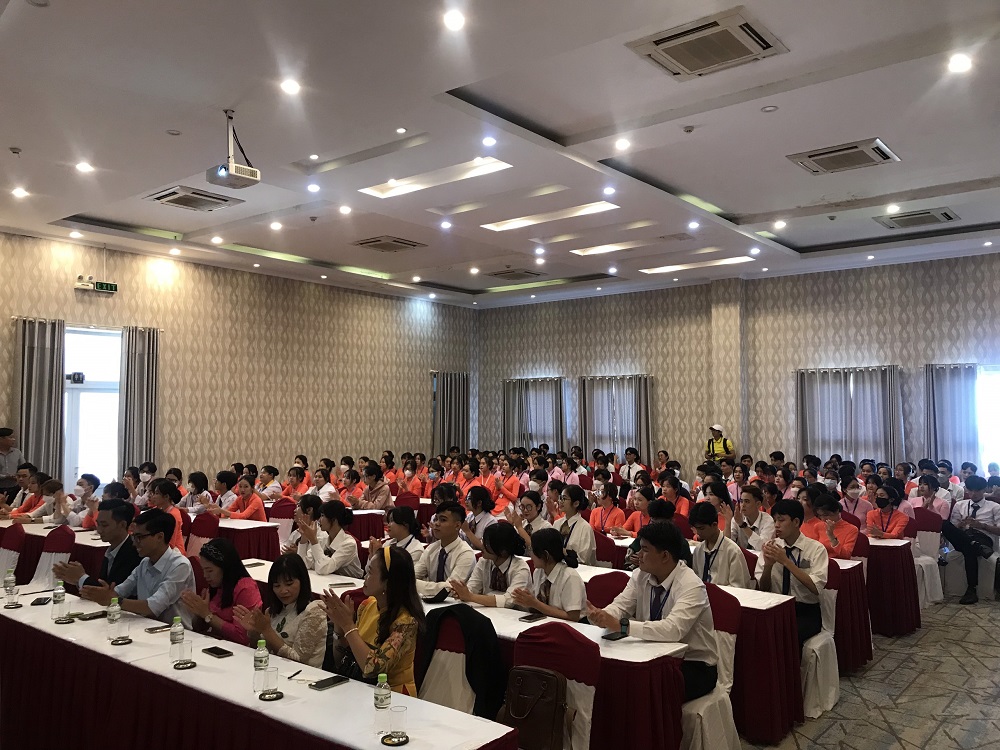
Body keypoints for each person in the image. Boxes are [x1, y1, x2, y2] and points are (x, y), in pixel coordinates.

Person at [587, 521, 719, 701]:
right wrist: (603, 615)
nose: (638, 555)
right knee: (610, 677)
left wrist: (622, 626)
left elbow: (673, 630)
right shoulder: (640, 575)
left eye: (645, 550)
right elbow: (622, 605)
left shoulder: (691, 585)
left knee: (641, 689)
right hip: (651, 651)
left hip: (693, 664)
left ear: (665, 556)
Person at [322, 544, 425, 694]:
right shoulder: (367, 605)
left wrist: (348, 625)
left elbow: (372, 669)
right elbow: (340, 661)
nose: (365, 577)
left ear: (387, 582)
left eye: (370, 572)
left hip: (392, 695)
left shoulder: (406, 622)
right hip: (361, 688)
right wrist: (339, 628)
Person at [80, 508, 196, 628]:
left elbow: (152, 607)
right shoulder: (145, 563)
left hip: (175, 632)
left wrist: (114, 600)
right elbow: (120, 591)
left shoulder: (180, 566)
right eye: (134, 537)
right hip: (144, 627)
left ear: (159, 537)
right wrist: (101, 593)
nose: (134, 543)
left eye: (139, 537)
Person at [756, 499, 828, 649]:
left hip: (804, 611)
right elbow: (763, 589)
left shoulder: (815, 549)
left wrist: (786, 562)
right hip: (775, 606)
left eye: (781, 520)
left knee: (786, 635)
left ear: (796, 522)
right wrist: (768, 566)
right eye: (775, 520)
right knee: (755, 631)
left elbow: (816, 588)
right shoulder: (771, 547)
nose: (776, 525)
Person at [234, 553, 327, 667]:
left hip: (302, 675)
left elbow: (299, 661)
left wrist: (267, 630)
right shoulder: (272, 611)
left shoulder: (314, 611)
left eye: (289, 584)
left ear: (302, 581)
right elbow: (262, 652)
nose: (283, 591)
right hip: (273, 670)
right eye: (277, 586)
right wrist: (254, 632)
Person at [180, 538, 262, 646]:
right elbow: (198, 628)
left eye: (210, 570)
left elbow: (242, 637)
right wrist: (198, 612)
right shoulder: (216, 585)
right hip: (213, 645)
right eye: (203, 570)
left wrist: (207, 615)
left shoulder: (246, 588)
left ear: (225, 567)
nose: (205, 575)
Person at [53, 497, 140, 590]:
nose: (99, 530)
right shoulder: (111, 550)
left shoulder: (135, 552)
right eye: (98, 524)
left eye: (104, 525)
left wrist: (80, 578)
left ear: (123, 525)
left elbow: (112, 592)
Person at [942, 475, 1000, 604]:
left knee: (969, 549)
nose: (973, 494)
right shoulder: (960, 505)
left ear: (984, 490)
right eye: (970, 490)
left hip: (983, 537)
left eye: (977, 491)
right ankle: (977, 547)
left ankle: (971, 589)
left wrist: (982, 525)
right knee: (944, 524)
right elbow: (954, 528)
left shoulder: (994, 507)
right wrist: (961, 525)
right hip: (963, 535)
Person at [511, 527, 586, 622]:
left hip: (570, 627)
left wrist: (535, 603)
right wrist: (526, 601)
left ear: (546, 555)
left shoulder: (570, 577)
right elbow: (539, 607)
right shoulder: (539, 572)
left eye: (532, 550)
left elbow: (573, 617)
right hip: (546, 622)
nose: (531, 555)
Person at [451, 522, 531, 608]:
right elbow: (472, 588)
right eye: (483, 541)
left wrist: (470, 597)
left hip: (516, 614)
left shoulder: (520, 568)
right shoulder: (484, 562)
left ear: (503, 551)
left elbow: (509, 601)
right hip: (490, 611)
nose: (482, 546)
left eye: (487, 544)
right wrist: (461, 592)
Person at [412, 502, 476, 597]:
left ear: (457, 526)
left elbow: (450, 589)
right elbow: (412, 576)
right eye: (436, 519)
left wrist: (414, 584)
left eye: (443, 520)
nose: (436, 524)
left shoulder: (466, 553)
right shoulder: (431, 549)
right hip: (430, 600)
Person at [690, 502, 751, 588]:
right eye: (696, 528)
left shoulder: (732, 551)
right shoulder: (698, 550)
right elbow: (696, 581)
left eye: (702, 528)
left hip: (725, 595)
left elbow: (738, 587)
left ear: (714, 525)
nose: (698, 533)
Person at [298, 500, 363, 577]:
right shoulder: (322, 539)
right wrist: (304, 537)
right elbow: (303, 564)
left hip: (351, 582)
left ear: (334, 520)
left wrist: (313, 540)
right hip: (330, 579)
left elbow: (324, 568)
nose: (319, 520)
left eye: (322, 516)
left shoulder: (349, 544)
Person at [552, 485, 597, 566]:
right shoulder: (557, 523)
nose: (560, 501)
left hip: (577, 569)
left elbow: (584, 559)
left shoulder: (585, 528)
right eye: (560, 497)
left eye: (564, 498)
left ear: (576, 503)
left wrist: (565, 553)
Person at [146, 478, 186, 555]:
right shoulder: (158, 510)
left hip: (174, 551)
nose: (153, 496)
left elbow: (170, 542)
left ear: (166, 496)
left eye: (156, 493)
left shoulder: (173, 515)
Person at [812, 495, 859, 559]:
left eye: (826, 515)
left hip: (840, 562)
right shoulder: (818, 526)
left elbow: (846, 555)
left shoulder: (851, 529)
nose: (823, 519)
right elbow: (814, 549)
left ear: (837, 511)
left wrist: (831, 536)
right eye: (820, 515)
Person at [731, 485, 775, 551]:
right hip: (740, 556)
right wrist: (728, 521)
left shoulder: (768, 520)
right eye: (741, 501)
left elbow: (763, 547)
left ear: (758, 504)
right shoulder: (737, 518)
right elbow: (728, 543)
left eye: (747, 501)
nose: (743, 505)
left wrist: (743, 525)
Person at [462, 485, 498, 552]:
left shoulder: (491, 521)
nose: (466, 502)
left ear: (479, 503)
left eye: (469, 499)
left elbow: (484, 547)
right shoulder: (470, 516)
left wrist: (467, 531)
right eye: (466, 498)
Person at [0, 428, 25, 497]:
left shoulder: (17, 452)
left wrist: (18, 475)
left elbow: (23, 467)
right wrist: (5, 477)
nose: (13, 440)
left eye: (14, 437)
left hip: (15, 488)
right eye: (10, 437)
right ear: (1, 439)